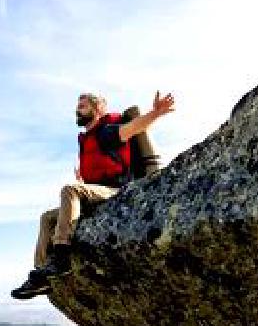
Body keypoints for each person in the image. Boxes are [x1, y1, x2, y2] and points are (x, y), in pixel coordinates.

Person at [10, 91, 175, 299]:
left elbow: (133, 128)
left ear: (97, 110)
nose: (77, 110)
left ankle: (61, 258)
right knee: (47, 217)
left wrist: (157, 112)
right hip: (96, 192)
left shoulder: (106, 132)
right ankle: (41, 275)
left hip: (116, 191)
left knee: (70, 190)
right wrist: (84, 182)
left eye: (83, 106)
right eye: (78, 107)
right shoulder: (87, 139)